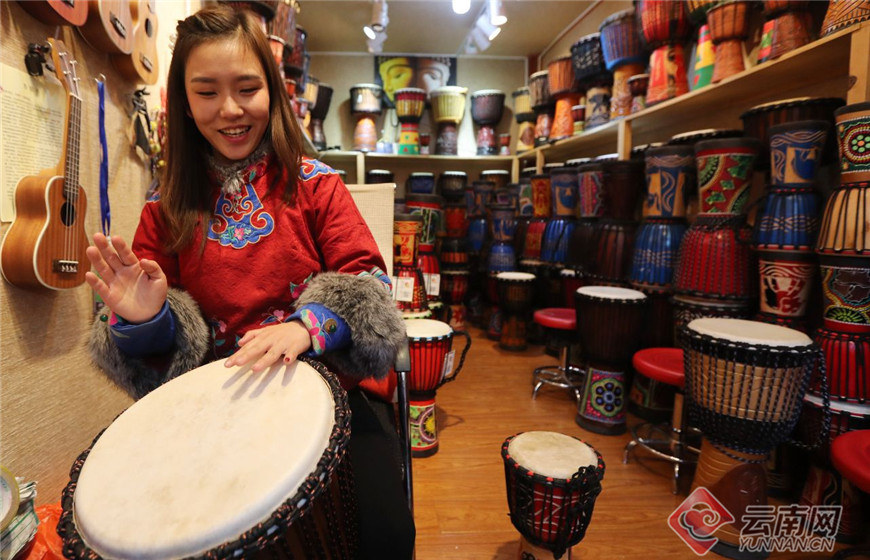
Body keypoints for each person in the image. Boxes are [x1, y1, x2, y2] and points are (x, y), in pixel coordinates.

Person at [85, 5, 414, 558]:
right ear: (183, 102)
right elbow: (160, 355)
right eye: (206, 92)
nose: (231, 110)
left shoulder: (317, 185)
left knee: (388, 538)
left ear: (273, 91)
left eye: (247, 88)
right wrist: (145, 320)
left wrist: (308, 327)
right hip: (220, 407)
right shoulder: (164, 209)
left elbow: (371, 284)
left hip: (333, 391)